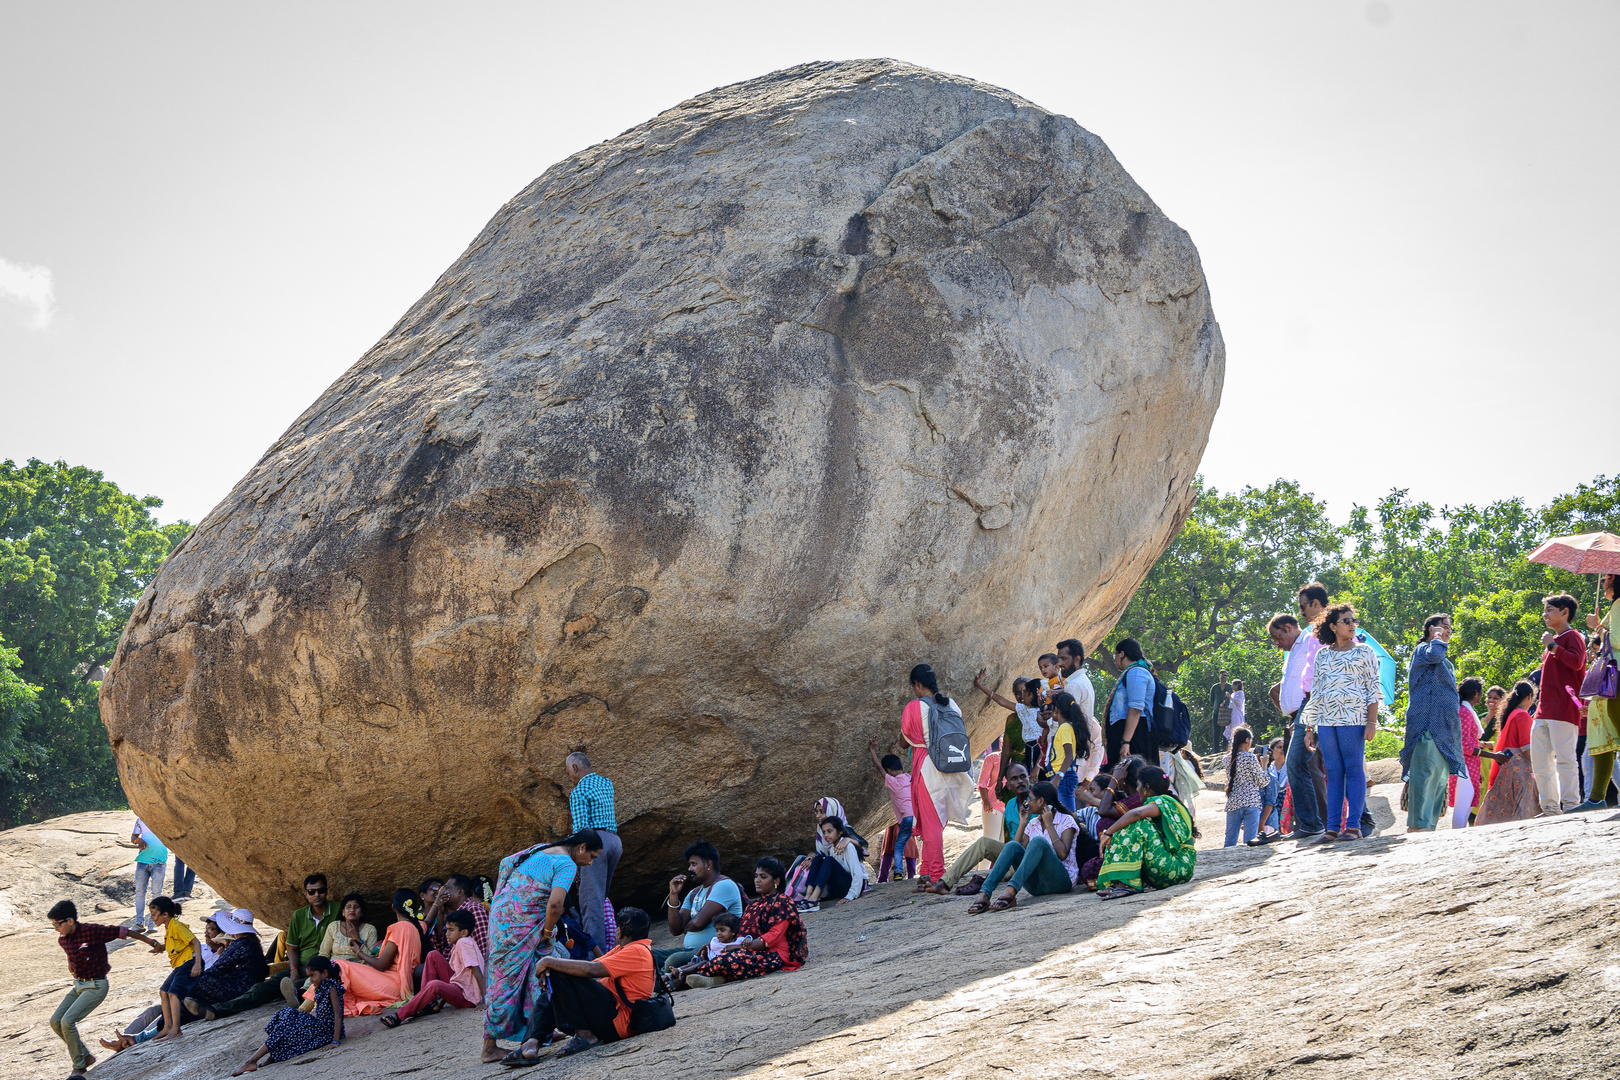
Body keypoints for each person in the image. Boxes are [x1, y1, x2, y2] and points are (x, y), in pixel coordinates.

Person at [481, 829, 603, 1062]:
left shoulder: (543, 849)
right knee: (505, 982)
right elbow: (556, 906)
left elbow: (506, 864)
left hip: (505, 918)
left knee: (546, 972)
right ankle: (489, 1048)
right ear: (582, 848)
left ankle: (541, 1030)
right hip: (517, 927)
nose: (590, 863)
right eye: (592, 856)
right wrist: (547, 932)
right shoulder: (567, 864)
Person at [499, 906, 656, 1063]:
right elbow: (587, 967)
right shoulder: (625, 949)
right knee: (557, 980)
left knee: (558, 972)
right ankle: (531, 1043)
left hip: (618, 1023)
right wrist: (553, 971)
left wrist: (549, 962)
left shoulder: (637, 951)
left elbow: (591, 970)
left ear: (620, 931)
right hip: (609, 1016)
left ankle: (585, 1035)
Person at [48, 899, 158, 1077]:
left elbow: (123, 931)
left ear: (70, 921)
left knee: (67, 1022)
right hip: (79, 985)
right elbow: (71, 954)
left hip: (97, 985)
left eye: (57, 924)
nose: (56, 929)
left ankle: (79, 1066)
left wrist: (152, 942)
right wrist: (72, 966)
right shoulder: (64, 940)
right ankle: (85, 1055)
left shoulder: (92, 931)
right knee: (55, 1021)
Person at [1303, 604, 1382, 842]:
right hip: (1326, 721)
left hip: (1354, 720)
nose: (1351, 624)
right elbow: (1316, 692)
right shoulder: (1323, 655)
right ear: (1332, 626)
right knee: (1333, 773)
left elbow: (1373, 688)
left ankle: (1354, 827)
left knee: (1354, 770)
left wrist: (1372, 721)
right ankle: (1332, 828)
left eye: (1353, 620)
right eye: (1346, 621)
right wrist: (1309, 727)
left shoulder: (1364, 651)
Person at [900, 663, 975, 890]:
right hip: (951, 766)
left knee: (931, 824)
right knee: (935, 822)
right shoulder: (951, 704)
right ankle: (925, 870)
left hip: (928, 769)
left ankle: (936, 875)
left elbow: (904, 742)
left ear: (917, 685)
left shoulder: (914, 707)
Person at [684, 857, 808, 989]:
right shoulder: (753, 905)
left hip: (773, 955)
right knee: (713, 955)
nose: (757, 880)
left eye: (763, 877)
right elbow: (741, 932)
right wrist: (714, 944)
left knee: (731, 958)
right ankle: (708, 978)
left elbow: (773, 936)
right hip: (749, 950)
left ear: (776, 881)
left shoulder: (783, 902)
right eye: (756, 876)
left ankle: (680, 979)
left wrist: (740, 948)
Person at [969, 780, 1079, 913]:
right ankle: (985, 893)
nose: (1027, 803)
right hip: (1037, 886)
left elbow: (1063, 854)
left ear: (1040, 801)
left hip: (1061, 882)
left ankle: (1011, 890)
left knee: (1039, 841)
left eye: (1030, 799)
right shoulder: (1033, 823)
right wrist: (1022, 823)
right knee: (1012, 845)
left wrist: (1049, 825)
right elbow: (1016, 851)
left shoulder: (1066, 820)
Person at [1402, 614, 1465, 832]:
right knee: (1424, 775)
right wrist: (1437, 638)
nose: (1448, 631)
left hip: (1443, 728)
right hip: (1426, 726)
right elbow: (1435, 653)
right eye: (1443, 627)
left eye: (1450, 628)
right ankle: (1417, 827)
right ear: (1431, 629)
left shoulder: (1445, 660)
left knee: (1438, 778)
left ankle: (1429, 827)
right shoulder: (1424, 651)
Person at [1095, 766, 1198, 899]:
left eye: (1138, 785)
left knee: (1137, 824)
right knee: (1129, 824)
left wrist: (1108, 833)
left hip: (1177, 867)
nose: (1137, 790)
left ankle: (1128, 884)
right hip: (1170, 866)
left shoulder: (1163, 802)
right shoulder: (1165, 801)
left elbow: (1137, 813)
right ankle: (1121, 882)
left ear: (1147, 787)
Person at [930, 762, 1032, 895]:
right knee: (984, 843)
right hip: (1014, 854)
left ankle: (987, 880)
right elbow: (1010, 842)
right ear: (1008, 785)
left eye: (1023, 776)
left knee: (1012, 864)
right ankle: (945, 883)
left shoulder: (1037, 801)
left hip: (1032, 855)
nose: (1020, 781)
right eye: (1014, 779)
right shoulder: (1010, 805)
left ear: (1029, 778)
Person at [232, 955, 343, 1075]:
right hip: (319, 1024)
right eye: (309, 976)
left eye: (313, 975)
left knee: (288, 1026)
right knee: (285, 1013)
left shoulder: (332, 988)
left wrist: (335, 1041)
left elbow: (338, 1015)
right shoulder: (320, 987)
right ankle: (272, 1053)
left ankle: (252, 1060)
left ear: (325, 973)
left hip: (326, 1031)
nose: (310, 979)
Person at [1269, 612, 1325, 839]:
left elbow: (1314, 677)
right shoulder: (1293, 650)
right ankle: (1310, 823)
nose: (1276, 642)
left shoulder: (1310, 640)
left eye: (1277, 636)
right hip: (1297, 717)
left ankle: (1314, 823)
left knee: (1300, 765)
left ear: (1288, 627)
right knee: (1299, 767)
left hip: (1309, 711)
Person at [1530, 593, 1588, 815]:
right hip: (1544, 709)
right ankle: (1550, 808)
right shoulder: (1552, 641)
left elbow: (1577, 663)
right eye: (1545, 610)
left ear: (1565, 612)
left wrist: (1553, 646)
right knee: (1541, 761)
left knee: (1565, 759)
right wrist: (1552, 646)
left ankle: (1571, 804)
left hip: (1565, 708)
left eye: (1549, 610)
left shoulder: (1574, 636)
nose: (1545, 614)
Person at [383, 908, 485, 1026]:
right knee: (433, 955)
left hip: (468, 998)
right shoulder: (461, 942)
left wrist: (483, 1001)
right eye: (447, 930)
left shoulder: (464, 943)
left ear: (463, 932)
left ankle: (399, 1015)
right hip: (461, 989)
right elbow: (460, 978)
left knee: (434, 984)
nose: (447, 934)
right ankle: (430, 1004)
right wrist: (442, 1001)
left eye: (451, 930)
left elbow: (476, 971)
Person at [330, 889, 425, 1016]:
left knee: (338, 965)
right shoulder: (418, 927)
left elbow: (381, 965)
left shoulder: (397, 928)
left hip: (392, 985)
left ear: (393, 907)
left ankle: (306, 1007)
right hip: (401, 983)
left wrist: (358, 951)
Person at [565, 750, 621, 956]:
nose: (569, 778)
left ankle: (595, 959)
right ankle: (608, 946)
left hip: (594, 844)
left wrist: (576, 862)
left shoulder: (578, 792)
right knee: (601, 898)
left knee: (591, 902)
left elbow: (581, 830)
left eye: (568, 772)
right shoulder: (606, 783)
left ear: (575, 768)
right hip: (614, 841)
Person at [662, 840, 745, 972]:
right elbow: (675, 929)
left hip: (713, 950)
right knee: (651, 955)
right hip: (689, 951)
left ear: (708, 865)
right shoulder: (693, 893)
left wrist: (686, 927)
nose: (689, 869)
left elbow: (698, 923)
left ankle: (666, 979)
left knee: (673, 961)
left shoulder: (724, 885)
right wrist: (673, 895)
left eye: (694, 864)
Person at [1575, 573, 1620, 812]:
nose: (1604, 583)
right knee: (1603, 735)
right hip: (1610, 681)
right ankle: (1595, 798)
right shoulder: (1615, 606)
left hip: (1616, 679)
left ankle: (1596, 798)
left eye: (1607, 578)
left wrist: (1598, 627)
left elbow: (1619, 640)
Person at [182, 909, 267, 1021]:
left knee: (190, 985)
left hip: (240, 988)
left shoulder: (240, 943)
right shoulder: (253, 941)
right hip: (248, 985)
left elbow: (217, 968)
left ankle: (173, 1023)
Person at [1476, 681, 1541, 825]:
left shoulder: (1509, 713)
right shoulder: (1522, 715)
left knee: (1506, 804)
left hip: (1507, 764)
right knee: (1523, 807)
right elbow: (1525, 747)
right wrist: (1538, 766)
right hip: (1520, 766)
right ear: (1529, 696)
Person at [147, 895, 202, 1040]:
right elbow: (178, 945)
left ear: (165, 914)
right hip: (180, 964)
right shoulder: (169, 927)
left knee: (173, 994)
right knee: (163, 992)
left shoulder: (177, 926)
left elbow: (195, 942)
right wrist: (162, 948)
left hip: (189, 962)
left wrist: (197, 964)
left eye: (154, 915)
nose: (152, 918)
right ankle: (167, 1027)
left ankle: (176, 1030)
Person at [971, 669, 1035, 791]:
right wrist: (1000, 778)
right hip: (1017, 769)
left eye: (1025, 691)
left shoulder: (1041, 714)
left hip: (1035, 767)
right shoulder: (1012, 718)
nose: (1021, 696)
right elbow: (1006, 750)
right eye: (1017, 693)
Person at [799, 816, 868, 912]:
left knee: (829, 860)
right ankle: (808, 896)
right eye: (824, 832)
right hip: (839, 887)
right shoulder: (832, 849)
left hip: (852, 886)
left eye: (829, 831)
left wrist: (850, 896)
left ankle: (814, 899)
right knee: (817, 858)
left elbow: (857, 874)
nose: (826, 835)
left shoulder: (849, 847)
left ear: (839, 832)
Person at [1107, 639, 1159, 768]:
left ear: (1122, 654)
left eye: (1115, 655)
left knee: (1134, 776)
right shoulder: (1132, 672)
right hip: (1131, 733)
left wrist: (1126, 742)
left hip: (1136, 735)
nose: (1115, 659)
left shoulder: (1136, 672)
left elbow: (1136, 709)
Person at [1056, 640, 1102, 779]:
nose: (1059, 664)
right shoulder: (1081, 681)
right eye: (1058, 659)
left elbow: (1064, 722)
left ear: (1077, 659)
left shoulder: (1075, 685)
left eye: (1064, 659)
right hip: (1075, 756)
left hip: (1067, 758)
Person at [869, 738, 915, 870]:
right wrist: (891, 751)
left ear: (889, 770)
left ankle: (898, 871)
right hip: (916, 816)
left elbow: (879, 767)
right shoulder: (908, 777)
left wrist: (872, 749)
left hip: (906, 818)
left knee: (899, 846)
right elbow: (897, 766)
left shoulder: (893, 783)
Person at [426, 874, 492, 966]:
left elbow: (484, 945)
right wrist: (440, 913)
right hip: (454, 969)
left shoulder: (473, 909)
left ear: (460, 892)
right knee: (432, 957)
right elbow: (439, 947)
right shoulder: (452, 915)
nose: (442, 892)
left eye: (447, 888)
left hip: (470, 972)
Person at [1450, 679, 1487, 828]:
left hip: (1469, 764)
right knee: (1463, 806)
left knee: (1467, 805)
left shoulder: (1466, 711)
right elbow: (1464, 745)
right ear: (1476, 693)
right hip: (1464, 764)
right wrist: (1492, 755)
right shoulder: (1464, 712)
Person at [1222, 728, 1267, 846]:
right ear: (1247, 740)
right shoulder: (1250, 757)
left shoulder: (1226, 759)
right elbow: (1263, 782)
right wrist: (1265, 765)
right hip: (1251, 801)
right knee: (1250, 839)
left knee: (1230, 840)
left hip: (1233, 801)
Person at [129, 819, 168, 932]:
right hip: (143, 860)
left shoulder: (164, 817)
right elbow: (133, 837)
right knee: (140, 891)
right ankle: (139, 922)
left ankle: (153, 922)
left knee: (156, 893)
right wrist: (138, 840)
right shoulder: (141, 819)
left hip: (160, 861)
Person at [1250, 737, 1288, 843]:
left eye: (1284, 747)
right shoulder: (1269, 768)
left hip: (1286, 801)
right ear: (1272, 751)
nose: (1282, 750)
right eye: (1279, 747)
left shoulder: (1290, 765)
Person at [319, 894, 378, 962]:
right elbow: (323, 954)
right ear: (343, 912)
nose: (352, 910)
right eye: (348, 907)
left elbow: (373, 960)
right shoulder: (333, 926)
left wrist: (357, 938)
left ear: (361, 912)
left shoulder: (370, 930)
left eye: (356, 907)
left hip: (359, 969)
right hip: (335, 968)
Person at [1208, 670, 1232, 745]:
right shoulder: (1215, 687)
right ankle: (1216, 750)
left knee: (1226, 732)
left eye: (1226, 675)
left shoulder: (1230, 687)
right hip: (1217, 712)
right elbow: (1211, 700)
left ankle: (1225, 749)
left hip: (1227, 712)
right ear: (1219, 676)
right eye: (1223, 675)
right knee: (1216, 732)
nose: (1224, 677)